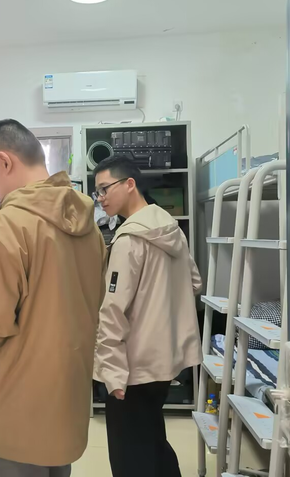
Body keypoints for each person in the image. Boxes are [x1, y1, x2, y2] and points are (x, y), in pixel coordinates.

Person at [0, 119, 106, 477]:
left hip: (16, 409)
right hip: (65, 403)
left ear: (5, 162)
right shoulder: (87, 226)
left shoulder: (10, 224)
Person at [92, 155, 202, 477]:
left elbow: (113, 311)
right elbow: (195, 282)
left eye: (105, 188)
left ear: (130, 184)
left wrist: (112, 374)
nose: (100, 198)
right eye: (97, 192)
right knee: (152, 438)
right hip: (166, 361)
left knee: (130, 456)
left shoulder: (128, 240)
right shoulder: (171, 228)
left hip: (133, 368)